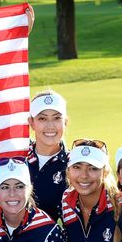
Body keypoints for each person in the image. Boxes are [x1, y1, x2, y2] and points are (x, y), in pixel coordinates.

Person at [26, 90, 70, 221]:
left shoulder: (74, 164)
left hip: (48, 239)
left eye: (57, 118)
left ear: (65, 122)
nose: (50, 126)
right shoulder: (17, 157)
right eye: (42, 118)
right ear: (31, 122)